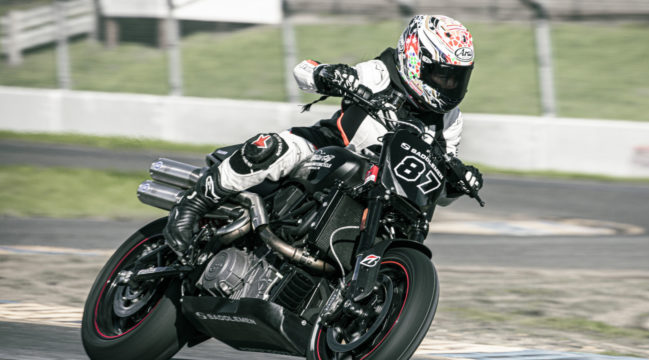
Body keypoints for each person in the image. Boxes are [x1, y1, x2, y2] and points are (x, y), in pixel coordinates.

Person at [164, 14, 484, 255]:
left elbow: (437, 185)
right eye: (441, 76)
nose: (448, 86)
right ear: (414, 58)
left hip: (384, 189)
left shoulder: (449, 120)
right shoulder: (379, 73)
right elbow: (303, 70)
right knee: (271, 148)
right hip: (329, 149)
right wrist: (330, 74)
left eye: (456, 78)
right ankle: (194, 204)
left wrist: (457, 183)